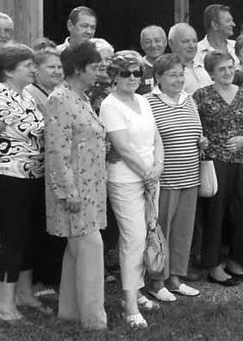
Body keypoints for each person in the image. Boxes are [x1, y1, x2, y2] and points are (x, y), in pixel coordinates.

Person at [0, 43, 53, 324]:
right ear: (8, 70)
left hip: (31, 178)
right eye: (27, 65)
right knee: (13, 240)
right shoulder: (1, 99)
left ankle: (25, 295)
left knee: (27, 238)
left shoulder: (23, 95)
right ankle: (4, 306)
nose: (33, 68)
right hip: (8, 180)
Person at [42, 41, 108, 330]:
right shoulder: (60, 99)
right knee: (91, 249)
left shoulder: (81, 97)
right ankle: (95, 320)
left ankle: (69, 311)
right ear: (78, 69)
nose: (99, 71)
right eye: (94, 67)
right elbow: (56, 150)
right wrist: (68, 192)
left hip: (90, 188)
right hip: (76, 191)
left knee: (76, 251)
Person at [100, 50, 165, 327]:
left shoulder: (143, 100)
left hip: (151, 177)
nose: (132, 78)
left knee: (147, 234)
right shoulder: (110, 105)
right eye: (125, 73)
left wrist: (157, 169)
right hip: (126, 180)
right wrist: (147, 174)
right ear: (113, 76)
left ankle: (137, 291)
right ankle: (129, 305)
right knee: (134, 239)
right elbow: (122, 147)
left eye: (137, 73)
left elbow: (156, 137)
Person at [144, 54, 207, 299]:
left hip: (190, 176)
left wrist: (201, 141)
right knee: (161, 232)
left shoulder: (189, 100)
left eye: (181, 74)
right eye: (172, 75)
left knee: (183, 231)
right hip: (165, 179)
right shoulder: (148, 102)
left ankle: (176, 278)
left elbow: (195, 130)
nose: (179, 80)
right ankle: (156, 281)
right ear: (158, 77)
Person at [194, 51, 243, 286]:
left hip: (241, 161)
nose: (228, 72)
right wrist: (202, 141)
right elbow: (194, 127)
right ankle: (213, 266)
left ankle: (236, 260)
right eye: (222, 69)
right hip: (215, 161)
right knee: (215, 214)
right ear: (211, 73)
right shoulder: (201, 96)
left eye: (231, 67)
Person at [169, 23, 212, 94]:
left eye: (194, 41)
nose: (192, 46)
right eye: (186, 41)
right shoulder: (168, 72)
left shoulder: (203, 66)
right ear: (171, 43)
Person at [28, 44, 63, 123]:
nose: (57, 72)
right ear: (35, 68)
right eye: (51, 67)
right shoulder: (28, 95)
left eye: (60, 67)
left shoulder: (61, 93)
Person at [138, 25, 168, 94]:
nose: (153, 45)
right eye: (148, 42)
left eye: (157, 41)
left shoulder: (173, 65)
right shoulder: (137, 67)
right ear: (142, 44)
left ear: (165, 42)